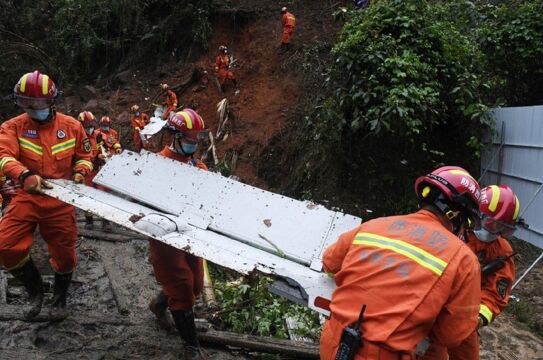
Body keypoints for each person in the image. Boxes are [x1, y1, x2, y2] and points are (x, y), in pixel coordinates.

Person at [320, 166, 482, 359]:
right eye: (468, 223)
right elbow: (450, 335)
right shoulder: (463, 258)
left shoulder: (374, 225)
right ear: (457, 215)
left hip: (333, 342)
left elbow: (330, 264)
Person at [0, 70, 93, 319]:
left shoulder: (72, 127)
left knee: (65, 254)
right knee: (6, 246)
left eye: (37, 103)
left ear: (51, 101)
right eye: (25, 102)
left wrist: (80, 172)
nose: (31, 107)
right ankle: (35, 291)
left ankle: (59, 300)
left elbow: (85, 157)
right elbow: (3, 155)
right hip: (27, 195)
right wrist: (22, 174)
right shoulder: (13, 127)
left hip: (61, 198)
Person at [423, 185, 519, 360]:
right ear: (477, 215)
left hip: (465, 314)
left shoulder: (502, 252)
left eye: (502, 228)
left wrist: (478, 318)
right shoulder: (452, 228)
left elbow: (496, 293)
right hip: (433, 304)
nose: (494, 231)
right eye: (491, 223)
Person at [148, 109, 209, 360]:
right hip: (165, 237)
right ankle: (191, 347)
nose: (193, 143)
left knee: (195, 284)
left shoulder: (199, 167)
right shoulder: (155, 165)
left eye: (196, 138)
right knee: (182, 286)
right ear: (173, 137)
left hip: (190, 235)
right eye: (189, 138)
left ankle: (159, 304)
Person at [77, 111, 108, 230]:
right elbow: (80, 156)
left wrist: (103, 154)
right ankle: (89, 220)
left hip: (98, 170)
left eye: (91, 126)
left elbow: (102, 148)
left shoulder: (98, 135)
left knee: (103, 195)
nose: (89, 129)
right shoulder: (77, 137)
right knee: (87, 196)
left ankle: (106, 221)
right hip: (85, 172)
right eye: (86, 126)